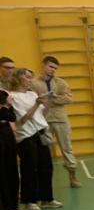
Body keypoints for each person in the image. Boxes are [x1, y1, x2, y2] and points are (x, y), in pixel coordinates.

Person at [9, 68, 62, 210]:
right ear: (18, 78)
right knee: (29, 169)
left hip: (40, 132)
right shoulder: (13, 97)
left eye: (31, 77)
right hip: (26, 135)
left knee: (46, 167)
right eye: (27, 77)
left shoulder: (32, 94)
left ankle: (47, 198)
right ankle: (30, 201)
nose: (30, 80)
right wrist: (37, 104)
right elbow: (23, 119)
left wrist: (49, 101)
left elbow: (42, 115)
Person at [31, 56, 81, 188]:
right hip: (43, 120)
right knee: (43, 149)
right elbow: (33, 100)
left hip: (60, 119)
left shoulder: (60, 82)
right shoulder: (34, 83)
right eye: (50, 66)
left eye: (55, 68)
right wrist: (45, 101)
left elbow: (68, 98)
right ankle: (44, 179)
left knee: (67, 147)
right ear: (43, 65)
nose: (53, 70)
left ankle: (72, 175)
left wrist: (53, 99)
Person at [0, 89, 19, 210]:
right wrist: (5, 107)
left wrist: (7, 106)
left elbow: (12, 117)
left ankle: (13, 206)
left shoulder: (4, 97)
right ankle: (5, 208)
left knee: (12, 171)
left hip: (7, 135)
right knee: (2, 174)